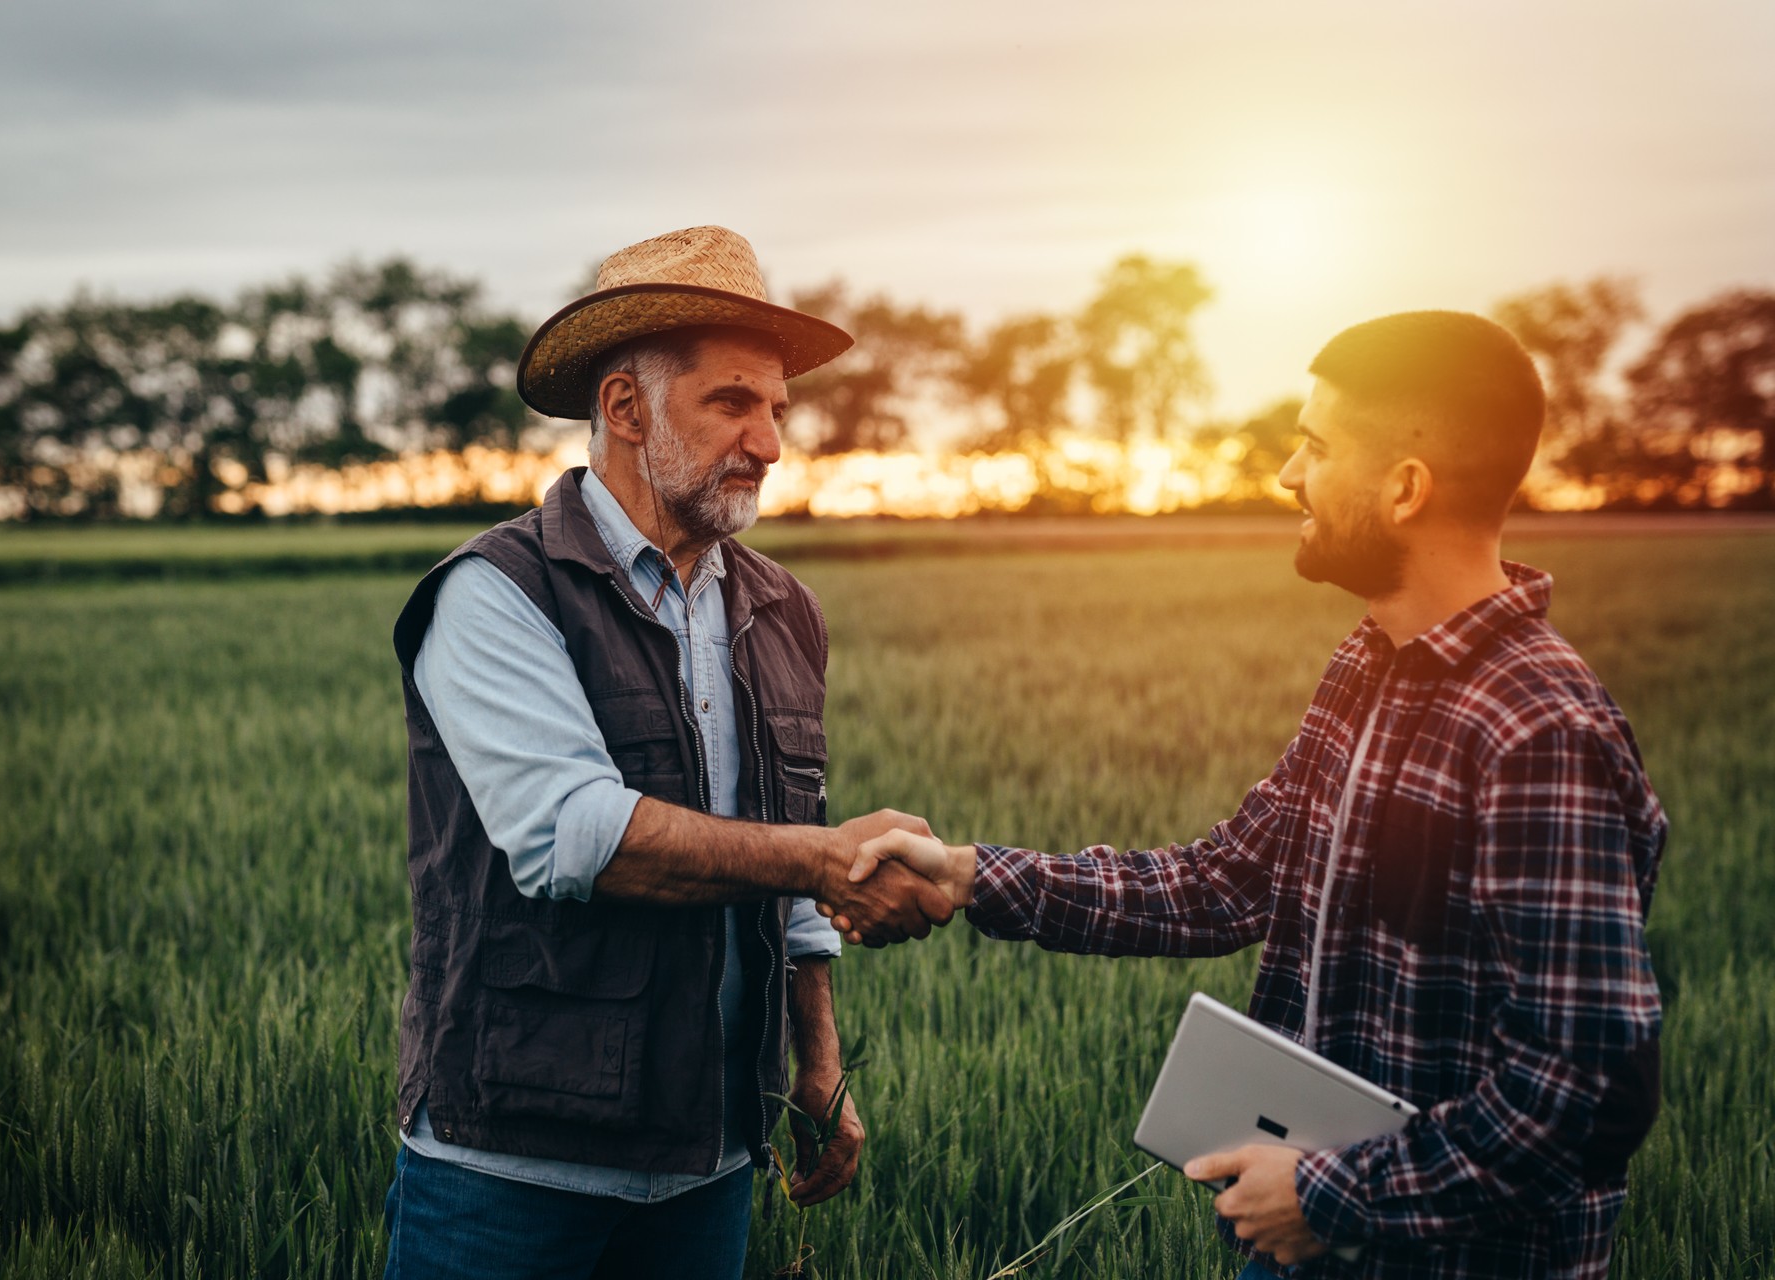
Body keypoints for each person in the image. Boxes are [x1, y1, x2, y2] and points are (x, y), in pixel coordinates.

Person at [835, 312, 1667, 1279]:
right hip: (1314, 1242)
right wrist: (972, 874)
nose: (1288, 475)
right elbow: (1230, 880)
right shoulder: (1370, 667)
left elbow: (1584, 1083)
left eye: (1316, 445)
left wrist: (1330, 1196)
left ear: (1404, 488)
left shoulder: (1538, 729)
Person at [381, 226, 952, 1280]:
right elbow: (576, 837)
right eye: (732, 401)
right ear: (627, 410)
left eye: (778, 407)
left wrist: (816, 1056)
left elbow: (785, 849)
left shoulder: (784, 609)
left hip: (710, 1160)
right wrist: (828, 857)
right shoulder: (497, 593)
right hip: (513, 1162)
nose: (771, 441)